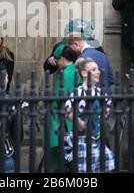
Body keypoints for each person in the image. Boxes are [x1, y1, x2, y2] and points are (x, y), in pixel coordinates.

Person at [63, 57, 115, 172]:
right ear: (84, 73)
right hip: (82, 140)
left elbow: (105, 112)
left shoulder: (102, 93)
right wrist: (78, 121)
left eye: (97, 69)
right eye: (94, 69)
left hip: (98, 139)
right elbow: (67, 109)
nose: (98, 71)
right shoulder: (78, 92)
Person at [47, 44, 81, 172]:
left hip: (62, 120)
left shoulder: (65, 74)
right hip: (72, 118)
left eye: (56, 61)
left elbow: (60, 99)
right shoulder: (75, 70)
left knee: (59, 157)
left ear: (61, 58)